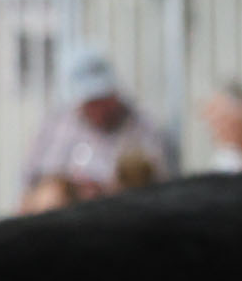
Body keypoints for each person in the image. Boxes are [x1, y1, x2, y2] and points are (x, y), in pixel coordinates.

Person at [19, 46, 175, 209]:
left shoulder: (142, 128)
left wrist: (107, 188)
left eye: (103, 99)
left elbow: (159, 185)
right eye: (92, 102)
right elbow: (29, 188)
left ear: (114, 93)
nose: (100, 109)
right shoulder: (57, 127)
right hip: (64, 216)